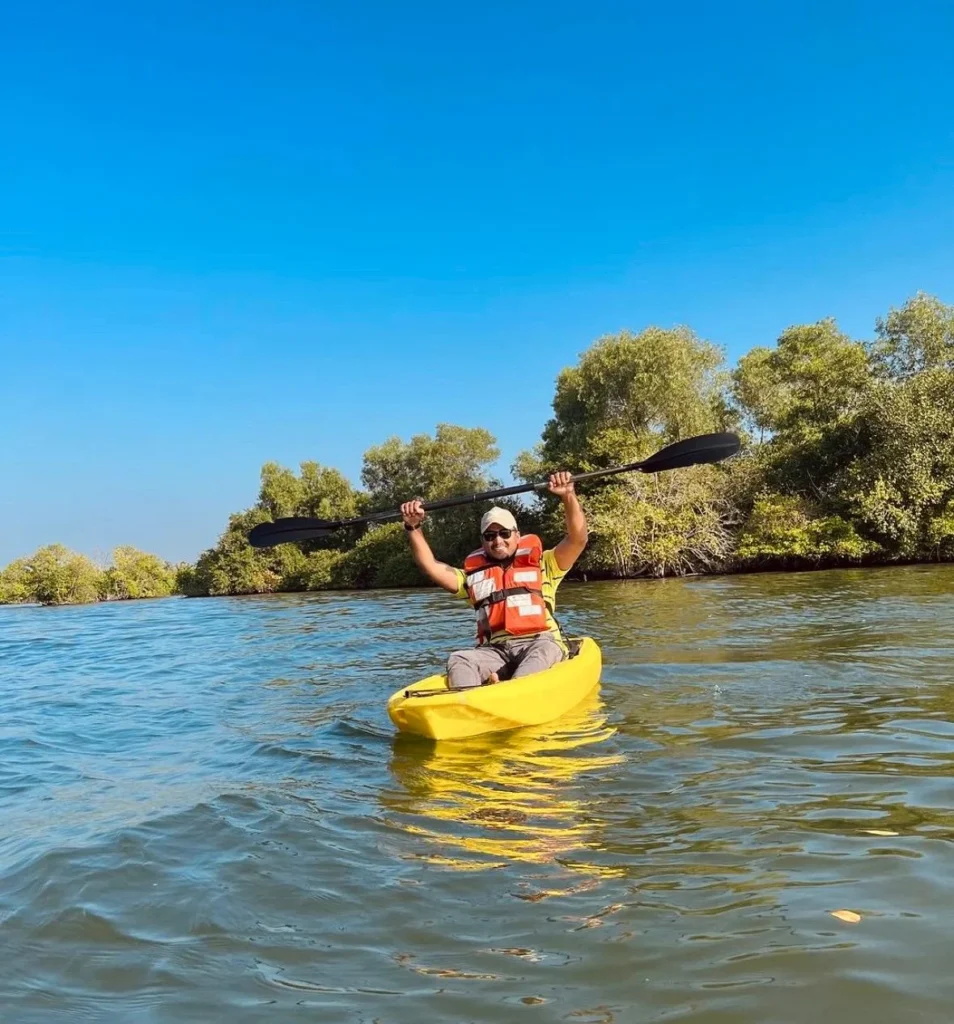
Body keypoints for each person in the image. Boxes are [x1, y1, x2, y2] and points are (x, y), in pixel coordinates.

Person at [400, 472, 588, 689]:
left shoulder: (545, 564)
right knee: (460, 659)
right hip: (495, 651)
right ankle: (468, 703)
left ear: (517, 535)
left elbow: (578, 538)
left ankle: (512, 690)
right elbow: (430, 566)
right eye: (490, 536)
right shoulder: (472, 577)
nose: (498, 540)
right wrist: (413, 527)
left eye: (504, 533)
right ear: (483, 541)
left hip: (539, 643)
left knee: (545, 651)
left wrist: (568, 495)